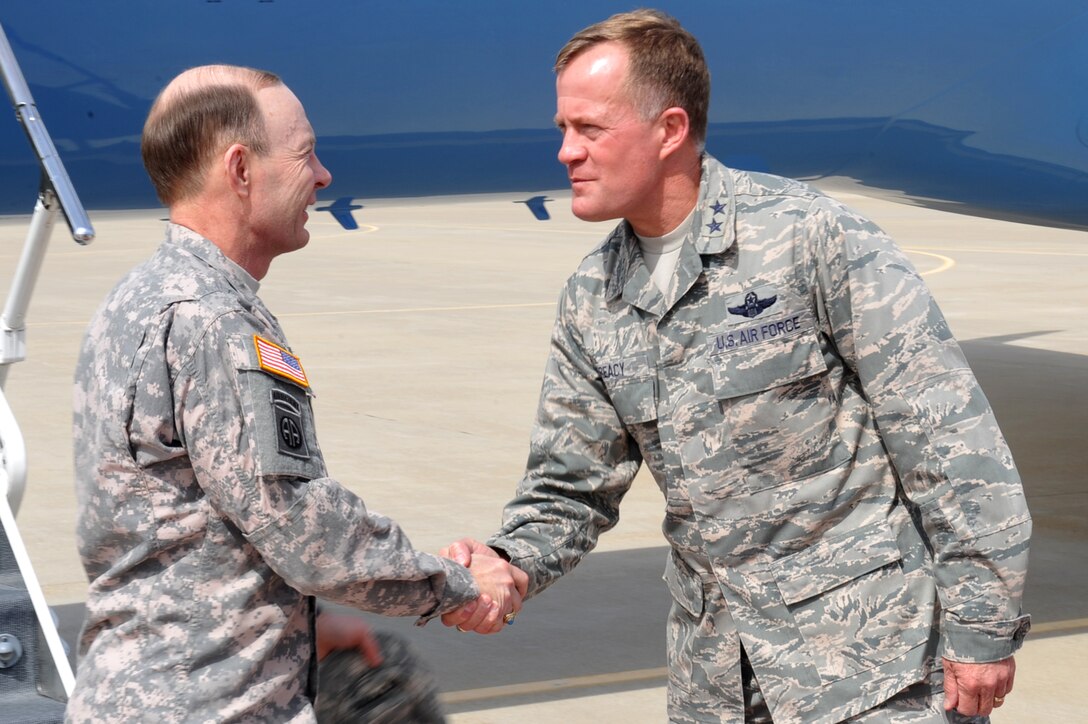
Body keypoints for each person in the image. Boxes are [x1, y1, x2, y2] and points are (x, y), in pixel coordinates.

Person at [441, 10, 1031, 723]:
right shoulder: (593, 299)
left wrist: (982, 626)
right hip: (717, 687)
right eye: (563, 129)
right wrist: (508, 564)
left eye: (590, 129)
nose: (567, 152)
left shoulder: (808, 237)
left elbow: (947, 438)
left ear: (670, 130)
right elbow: (569, 487)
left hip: (875, 674)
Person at [66, 64, 526, 723]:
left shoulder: (136, 299)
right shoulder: (216, 322)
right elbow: (307, 532)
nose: (323, 175)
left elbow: (174, 533)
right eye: (305, 153)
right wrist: (457, 586)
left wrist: (296, 633)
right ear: (241, 169)